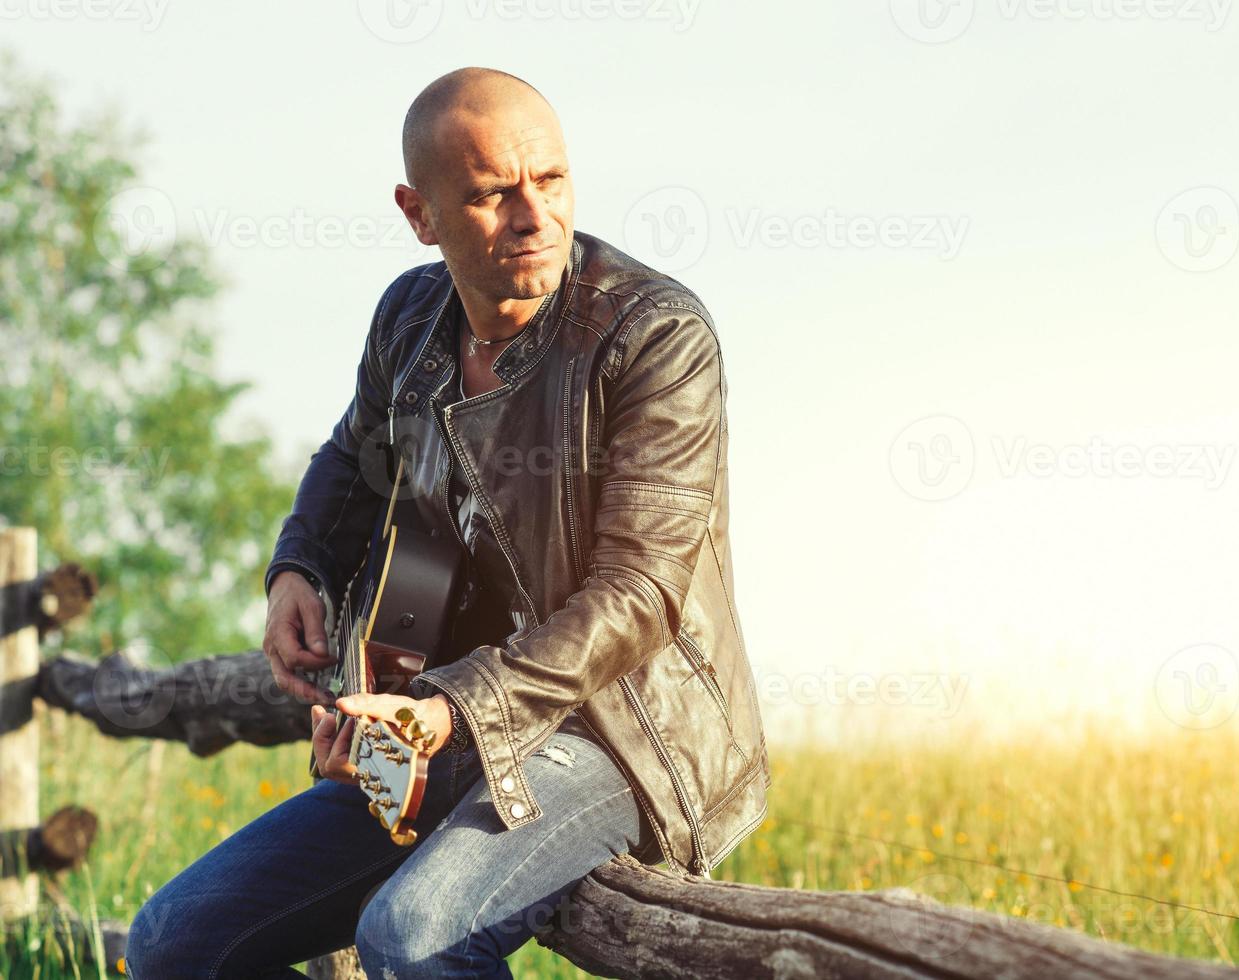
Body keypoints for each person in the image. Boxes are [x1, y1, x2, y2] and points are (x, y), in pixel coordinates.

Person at [124, 67, 769, 979]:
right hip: (440, 723)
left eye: (549, 180)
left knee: (411, 935)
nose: (532, 215)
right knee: (174, 942)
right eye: (489, 194)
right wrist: (296, 571)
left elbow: (641, 596)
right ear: (418, 213)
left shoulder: (652, 336)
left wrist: (449, 709)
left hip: (621, 733)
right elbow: (352, 462)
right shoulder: (409, 318)